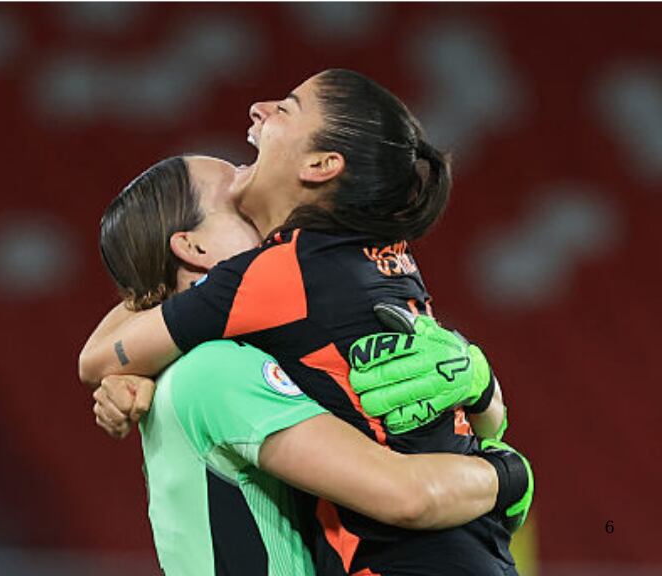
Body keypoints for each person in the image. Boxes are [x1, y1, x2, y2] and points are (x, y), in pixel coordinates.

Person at [81, 70, 531, 575]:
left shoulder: (286, 297)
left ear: (321, 165)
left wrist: (482, 389)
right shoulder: (225, 362)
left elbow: (102, 355)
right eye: (234, 198)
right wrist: (508, 472)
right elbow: (407, 494)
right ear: (195, 247)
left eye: (287, 108)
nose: (257, 110)